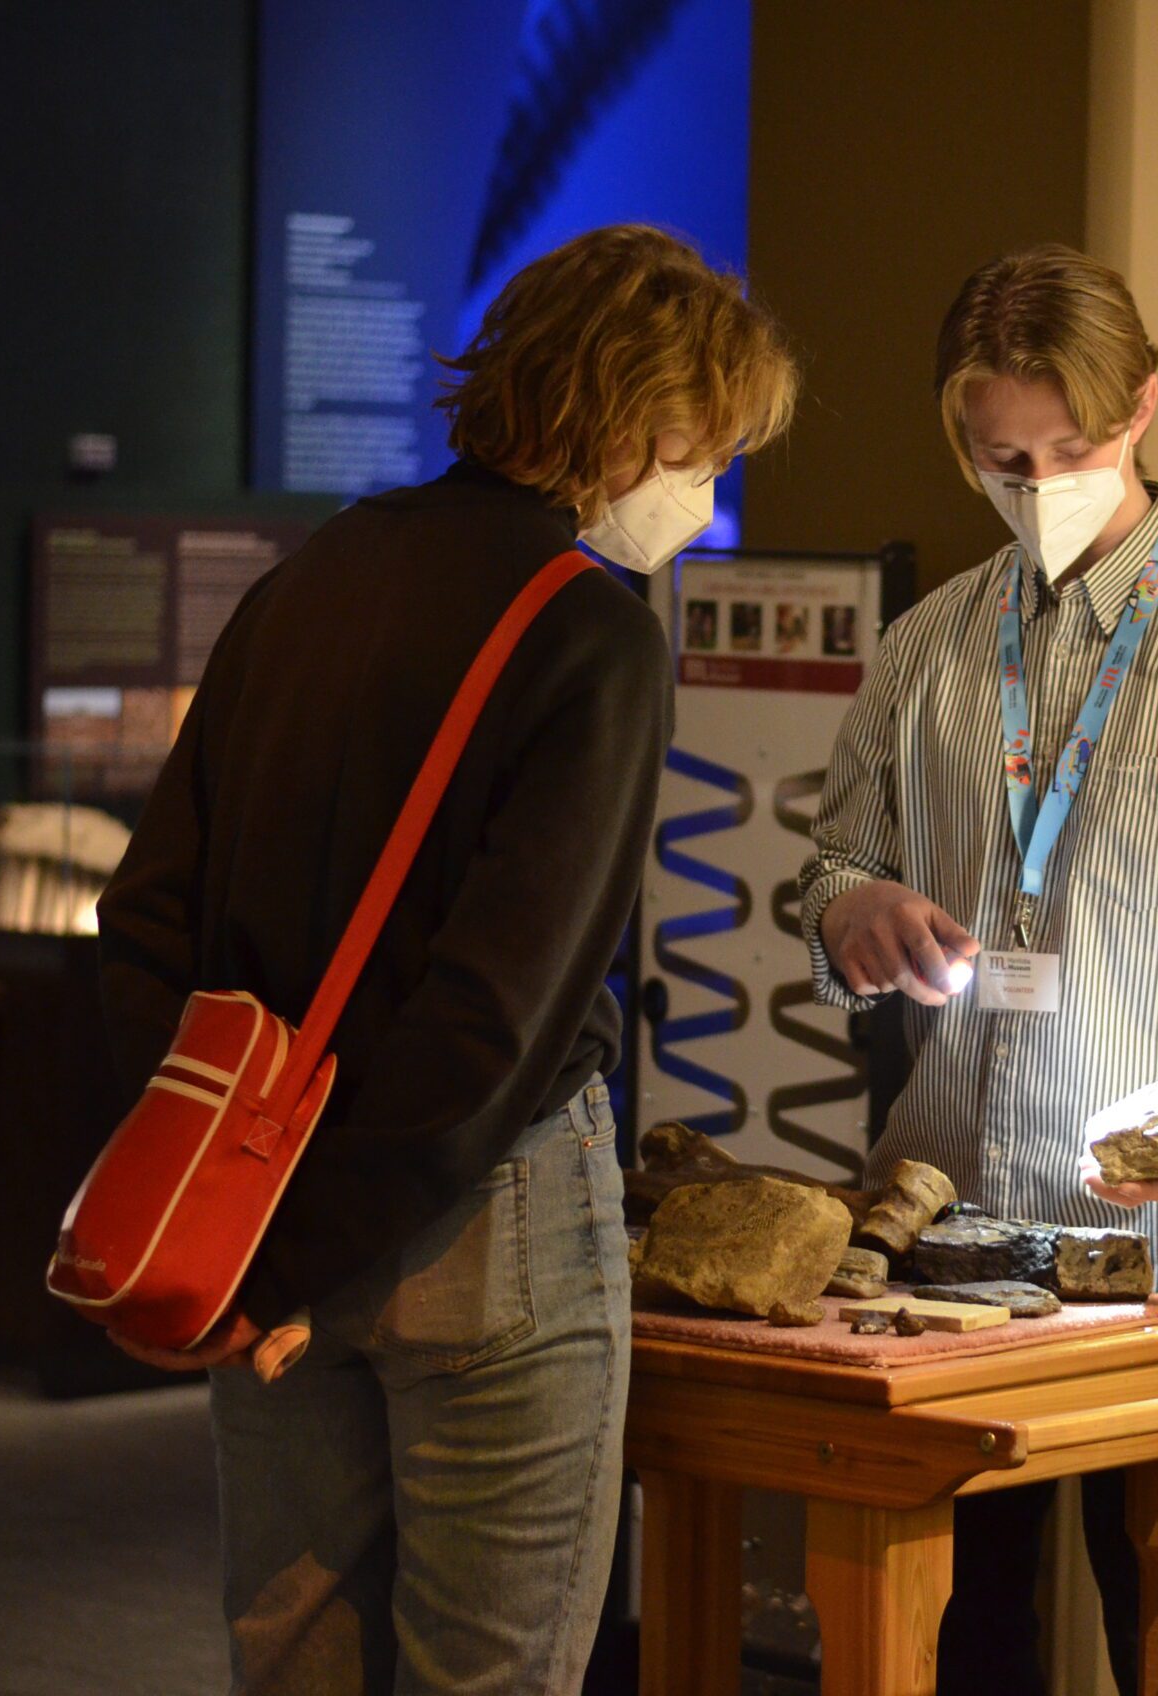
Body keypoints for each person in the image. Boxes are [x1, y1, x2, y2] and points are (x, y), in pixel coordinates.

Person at [95, 224, 795, 1695]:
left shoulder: (311, 580)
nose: (708, 487)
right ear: (637, 419)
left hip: (264, 1199)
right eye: (707, 448)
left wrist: (259, 1251)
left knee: (291, 1663)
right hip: (487, 1216)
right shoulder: (591, 631)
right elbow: (498, 1025)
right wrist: (314, 1247)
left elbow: (147, 923)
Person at [800, 244, 1158, 1696]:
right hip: (953, 1235)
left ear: (1143, 407)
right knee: (959, 1636)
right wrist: (854, 909)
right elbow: (826, 870)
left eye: (1072, 447)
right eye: (1005, 459)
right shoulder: (927, 649)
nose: (1041, 483)